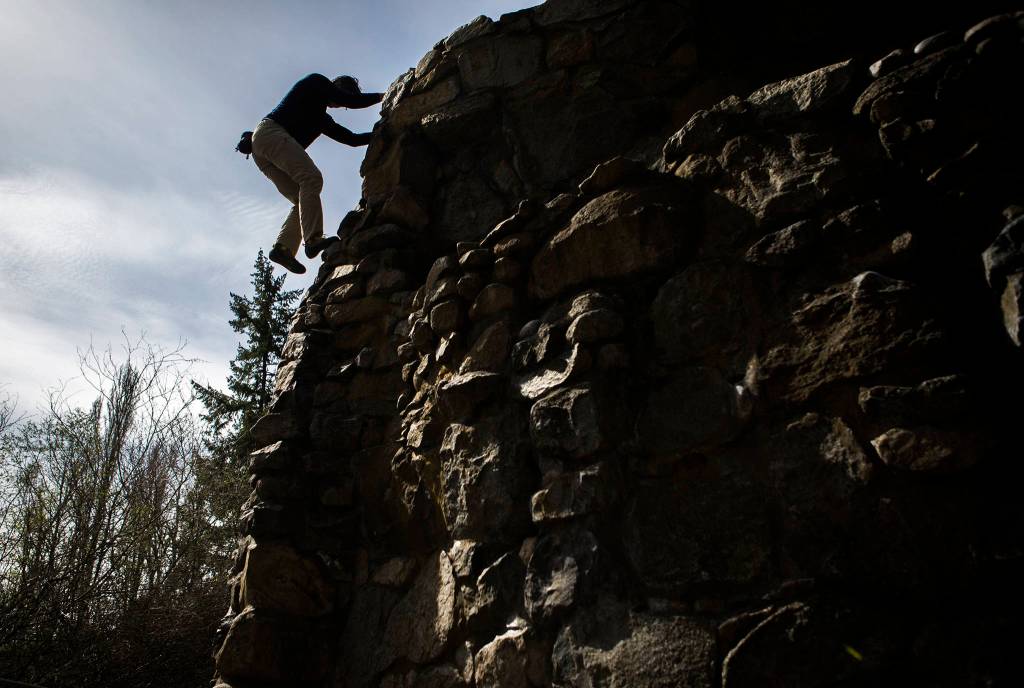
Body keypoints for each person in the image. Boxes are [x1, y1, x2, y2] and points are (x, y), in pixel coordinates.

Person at [250, 73, 383, 274]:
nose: (338, 104)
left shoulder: (321, 118)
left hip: (262, 149)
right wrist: (385, 95)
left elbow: (352, 139)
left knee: (301, 200)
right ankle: (313, 240)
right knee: (311, 178)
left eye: (341, 105)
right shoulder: (316, 82)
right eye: (340, 97)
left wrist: (378, 134)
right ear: (336, 86)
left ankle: (283, 249)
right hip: (271, 133)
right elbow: (350, 100)